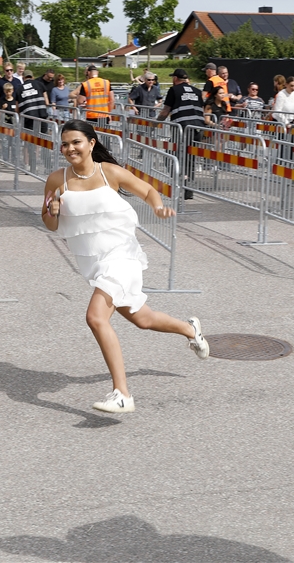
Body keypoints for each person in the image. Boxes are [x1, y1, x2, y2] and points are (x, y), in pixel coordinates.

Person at [41, 120, 209, 413]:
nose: (70, 149)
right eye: (65, 144)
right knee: (142, 319)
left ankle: (122, 394)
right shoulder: (57, 180)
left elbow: (147, 191)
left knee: (95, 318)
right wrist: (52, 211)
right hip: (94, 263)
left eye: (76, 142)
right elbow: (50, 224)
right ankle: (190, 328)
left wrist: (158, 207)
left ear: (91, 143)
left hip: (122, 257)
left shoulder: (110, 173)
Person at [157, 68, 205, 200]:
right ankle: (188, 189)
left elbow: (165, 111)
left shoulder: (174, 90)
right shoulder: (197, 91)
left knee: (170, 154)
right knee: (190, 158)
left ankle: (179, 181)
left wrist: (154, 124)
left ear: (175, 79)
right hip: (198, 128)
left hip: (183, 128)